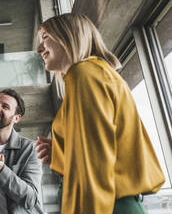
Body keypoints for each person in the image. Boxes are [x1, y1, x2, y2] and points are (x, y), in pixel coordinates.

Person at [35, 13, 165, 213]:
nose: (39, 49)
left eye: (45, 37)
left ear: (69, 36)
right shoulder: (94, 73)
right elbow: (102, 149)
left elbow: (95, 168)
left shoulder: (83, 74)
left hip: (106, 205)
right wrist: (62, 151)